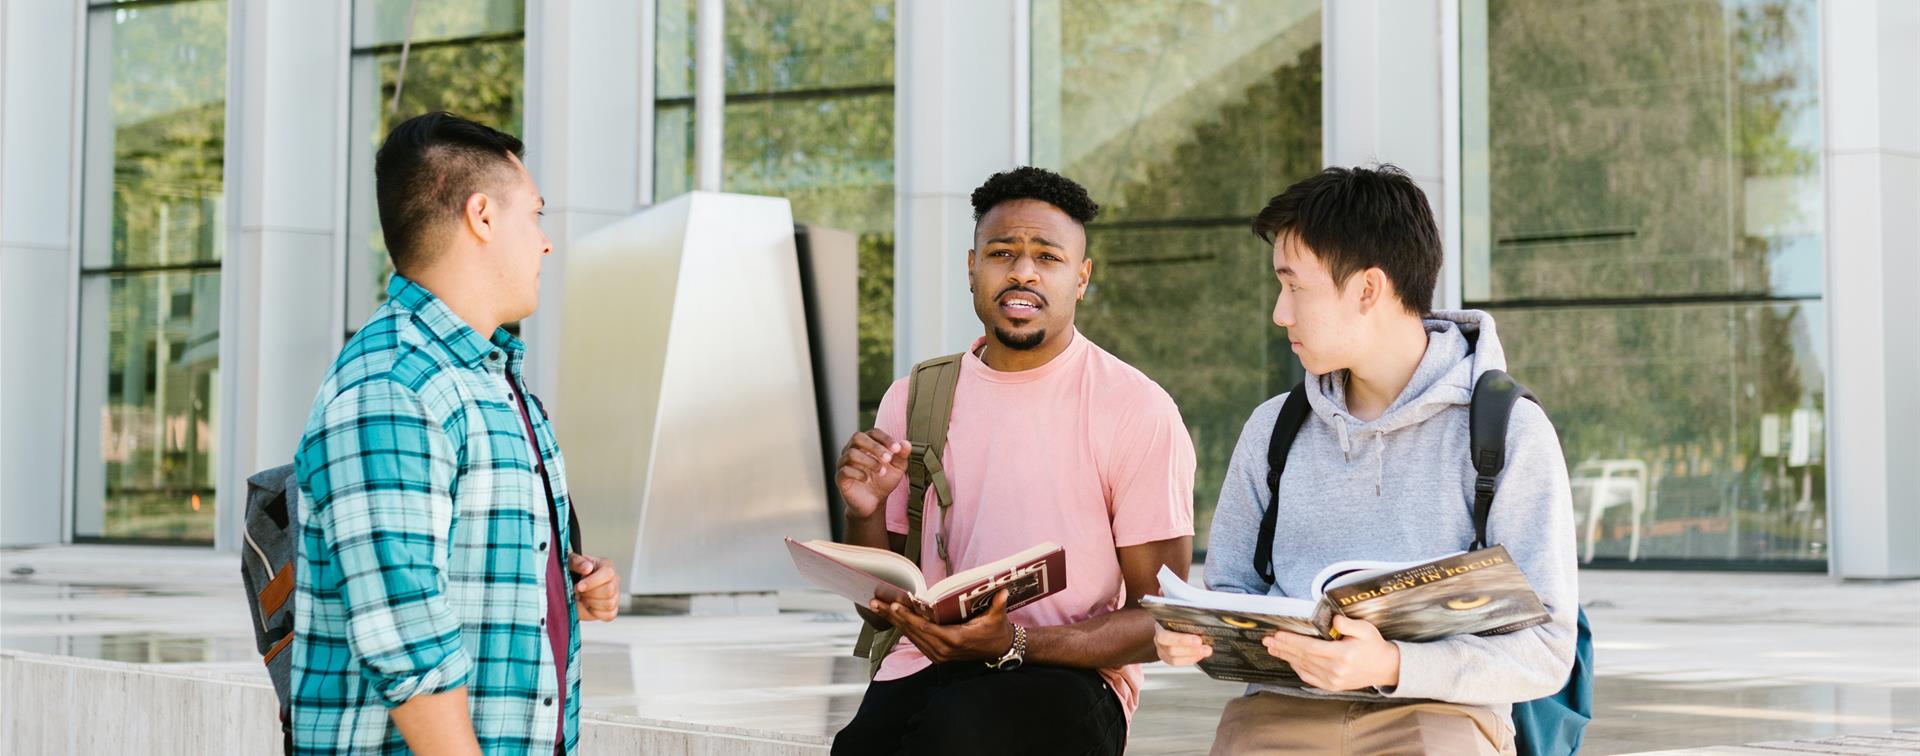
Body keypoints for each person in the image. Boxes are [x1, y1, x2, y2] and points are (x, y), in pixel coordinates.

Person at [1155, 165, 1578, 755]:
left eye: (1294, 286)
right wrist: (1191, 638)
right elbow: (1228, 592)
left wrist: (1390, 662)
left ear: (1368, 290)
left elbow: (1547, 652)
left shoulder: (1507, 432)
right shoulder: (1273, 429)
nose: (1280, 313)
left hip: (1438, 716)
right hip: (1282, 713)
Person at [830, 167, 1197, 755]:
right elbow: (878, 612)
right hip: (921, 665)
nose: (1022, 271)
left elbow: (1162, 619)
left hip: (1073, 677)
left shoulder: (1135, 408)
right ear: (971, 267)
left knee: (961, 734)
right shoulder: (917, 396)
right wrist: (863, 511)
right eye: (1002, 253)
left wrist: (1014, 641)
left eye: (1047, 257)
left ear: (1082, 278)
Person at [291, 112, 622, 755]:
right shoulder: (392, 387)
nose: (546, 242)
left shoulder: (490, 375)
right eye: (535, 214)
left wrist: (563, 579)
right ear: (483, 216)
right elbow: (406, 643)